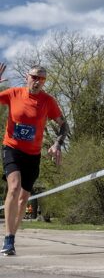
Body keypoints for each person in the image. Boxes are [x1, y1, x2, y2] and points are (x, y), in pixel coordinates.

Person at [0, 62, 69, 256]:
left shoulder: (48, 101)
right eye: (34, 77)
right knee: (14, 187)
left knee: (24, 199)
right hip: (12, 149)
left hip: (33, 154)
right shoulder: (13, 93)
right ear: (27, 77)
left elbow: (64, 125)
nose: (37, 81)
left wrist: (57, 144)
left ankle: (12, 235)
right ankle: (8, 239)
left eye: (42, 79)